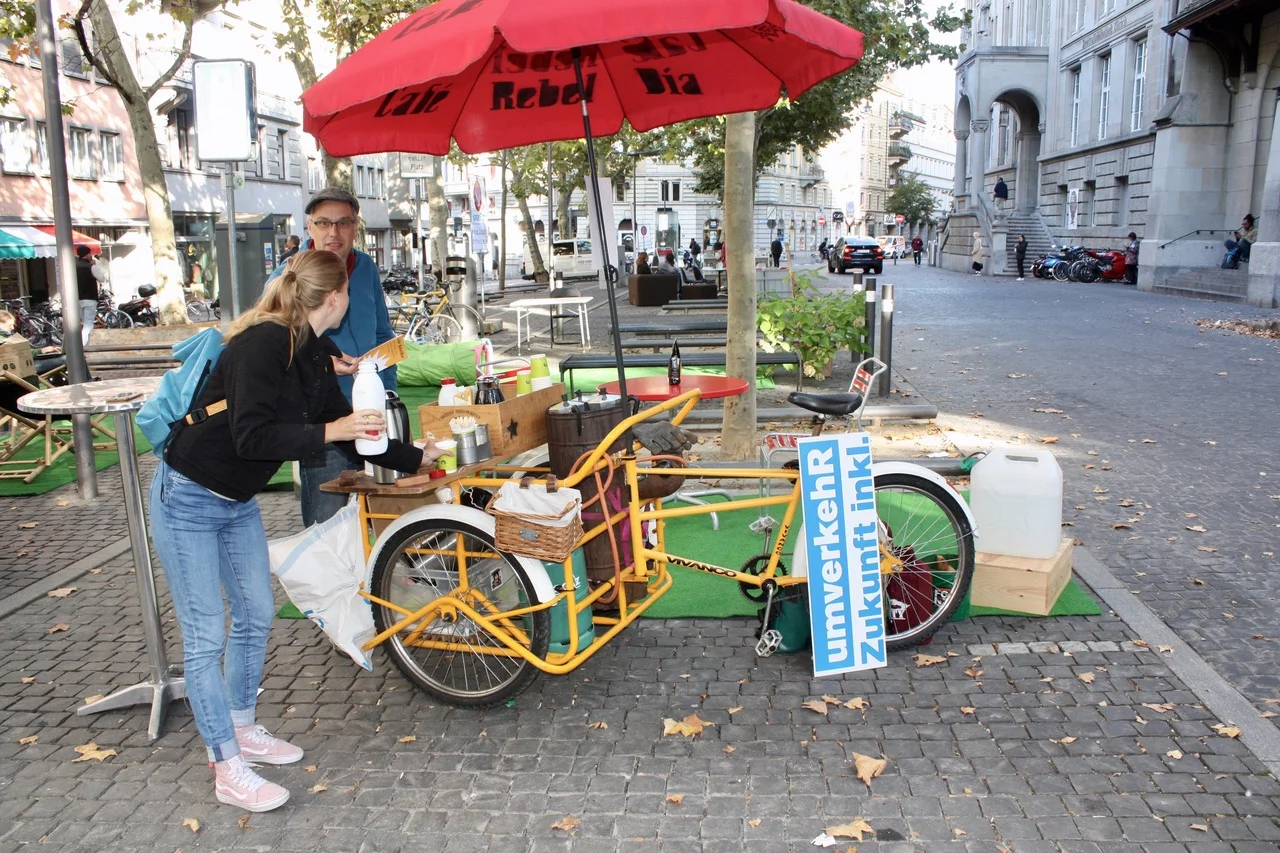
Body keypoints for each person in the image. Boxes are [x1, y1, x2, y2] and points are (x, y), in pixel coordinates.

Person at [148, 250, 439, 813]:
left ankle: (241, 725)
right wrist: (336, 424)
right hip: (188, 494)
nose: (351, 301)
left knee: (256, 614)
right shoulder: (259, 346)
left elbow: (345, 433)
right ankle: (226, 765)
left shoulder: (312, 348)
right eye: (349, 292)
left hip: (234, 498)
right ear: (335, 297)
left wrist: (416, 458)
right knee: (207, 635)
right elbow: (252, 438)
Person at [272, 187, 399, 527]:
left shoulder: (366, 266)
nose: (334, 232)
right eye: (324, 223)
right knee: (329, 522)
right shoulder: (292, 274)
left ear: (356, 226)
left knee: (384, 512)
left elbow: (382, 332)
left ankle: (372, 578)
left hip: (373, 410)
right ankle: (331, 581)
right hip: (324, 419)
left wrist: (388, 392)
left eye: (344, 222)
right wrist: (322, 363)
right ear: (309, 227)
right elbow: (276, 347)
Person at [75, 245, 105, 346]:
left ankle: (83, 344)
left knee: (84, 322)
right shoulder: (91, 267)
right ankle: (84, 345)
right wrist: (95, 266)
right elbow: (102, 278)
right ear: (86, 254)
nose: (91, 255)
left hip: (76, 299)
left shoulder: (73, 266)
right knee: (88, 324)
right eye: (89, 253)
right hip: (89, 298)